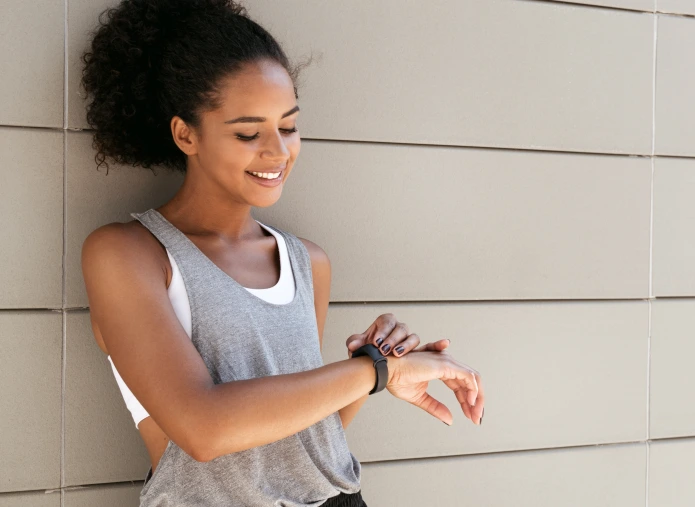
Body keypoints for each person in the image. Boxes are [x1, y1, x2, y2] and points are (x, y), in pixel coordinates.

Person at [79, 1, 485, 505]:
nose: (277, 151)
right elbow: (203, 430)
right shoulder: (128, 254)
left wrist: (375, 365)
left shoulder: (306, 261)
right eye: (248, 133)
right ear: (186, 134)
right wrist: (376, 371)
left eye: (288, 126)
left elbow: (305, 434)